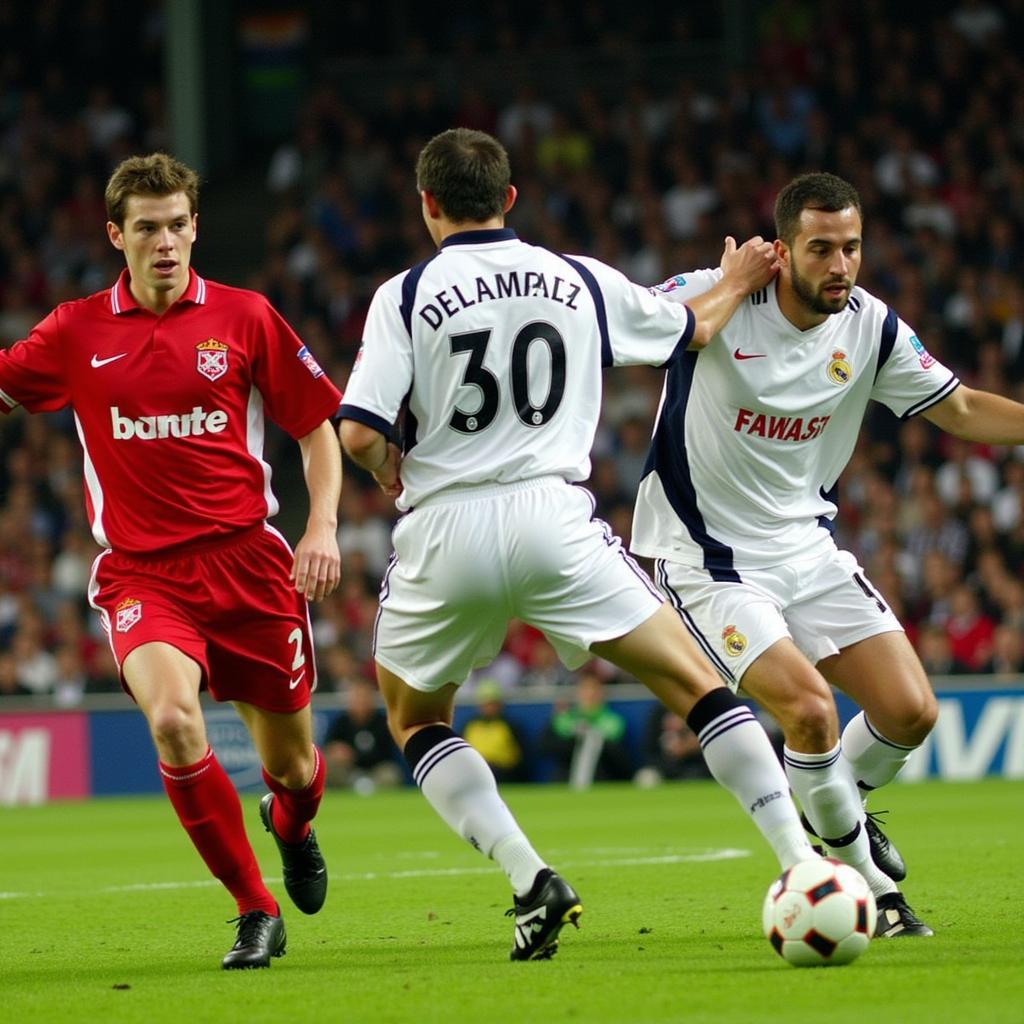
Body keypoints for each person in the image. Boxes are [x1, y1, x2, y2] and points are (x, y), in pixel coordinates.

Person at [338, 127, 820, 963]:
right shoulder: (574, 278)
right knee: (695, 684)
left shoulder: (405, 293)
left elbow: (356, 433)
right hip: (554, 517)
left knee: (414, 717)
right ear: (511, 199)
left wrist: (387, 464)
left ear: (427, 205)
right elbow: (690, 329)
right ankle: (802, 863)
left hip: (444, 524)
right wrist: (739, 278)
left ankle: (530, 880)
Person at [629, 170, 1024, 937]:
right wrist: (727, 286)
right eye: (820, 249)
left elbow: (964, 408)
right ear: (781, 251)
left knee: (911, 710)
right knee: (808, 712)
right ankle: (870, 888)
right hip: (707, 556)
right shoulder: (721, 291)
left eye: (851, 248)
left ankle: (834, 803)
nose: (840, 265)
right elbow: (638, 331)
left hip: (807, 545)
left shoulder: (870, 328)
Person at [0, 153, 343, 969]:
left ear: (196, 226)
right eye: (147, 228)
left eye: (178, 225)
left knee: (292, 767)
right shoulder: (75, 330)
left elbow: (315, 428)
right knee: (173, 720)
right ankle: (254, 909)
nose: (165, 241)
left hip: (251, 566)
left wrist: (321, 525)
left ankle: (291, 824)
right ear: (116, 235)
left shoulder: (247, 316)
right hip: (144, 575)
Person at [539, 669, 634, 785]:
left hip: (601, 780)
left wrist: (593, 736)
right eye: (585, 689)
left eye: (594, 689)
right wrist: (575, 736)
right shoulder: (563, 719)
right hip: (564, 779)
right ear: (577, 692)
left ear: (602, 693)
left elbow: (620, 760)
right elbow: (544, 748)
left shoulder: (613, 722)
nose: (590, 694)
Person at [322, 676, 403, 791]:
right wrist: (337, 752)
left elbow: (389, 754)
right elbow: (328, 748)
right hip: (349, 772)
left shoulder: (382, 721)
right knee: (331, 771)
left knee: (390, 774)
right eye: (357, 697)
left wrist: (359, 755)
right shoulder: (341, 721)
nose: (361, 701)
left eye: (364, 696)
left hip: (376, 771)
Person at [462, 679, 530, 783]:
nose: (489, 707)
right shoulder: (469, 725)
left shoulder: (510, 725)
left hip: (503, 772)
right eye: (486, 703)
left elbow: (522, 755)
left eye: (492, 703)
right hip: (474, 772)